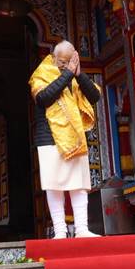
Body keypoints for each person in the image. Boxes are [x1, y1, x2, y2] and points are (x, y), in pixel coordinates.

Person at [29, 40, 101, 238]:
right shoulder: (41, 74)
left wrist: (78, 74)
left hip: (75, 138)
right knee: (54, 185)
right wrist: (67, 73)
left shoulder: (74, 76)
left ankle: (82, 229)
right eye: (61, 62)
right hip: (50, 139)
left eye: (68, 62)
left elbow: (94, 96)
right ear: (53, 58)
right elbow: (43, 98)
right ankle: (60, 230)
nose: (64, 66)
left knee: (79, 185)